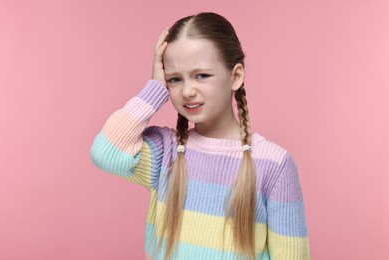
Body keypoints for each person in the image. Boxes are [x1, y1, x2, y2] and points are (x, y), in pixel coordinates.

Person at [90, 12, 310, 260]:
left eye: (201, 75)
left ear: (235, 76)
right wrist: (154, 89)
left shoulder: (274, 165)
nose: (187, 91)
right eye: (174, 79)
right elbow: (106, 152)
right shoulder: (167, 153)